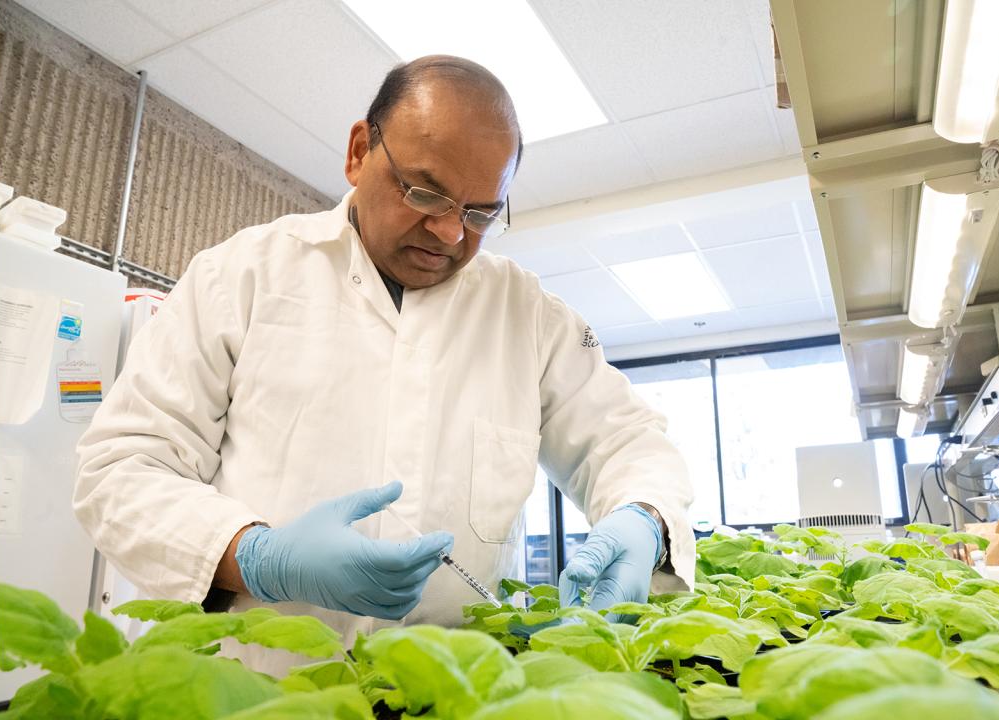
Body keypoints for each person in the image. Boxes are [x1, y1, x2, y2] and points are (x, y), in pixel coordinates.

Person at [74, 55, 694, 676]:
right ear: (357, 152)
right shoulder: (242, 276)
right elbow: (120, 470)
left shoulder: (529, 317)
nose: (451, 233)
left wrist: (642, 519)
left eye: (480, 213)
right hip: (255, 686)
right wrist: (256, 555)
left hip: (450, 692)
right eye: (426, 193)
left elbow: (625, 441)